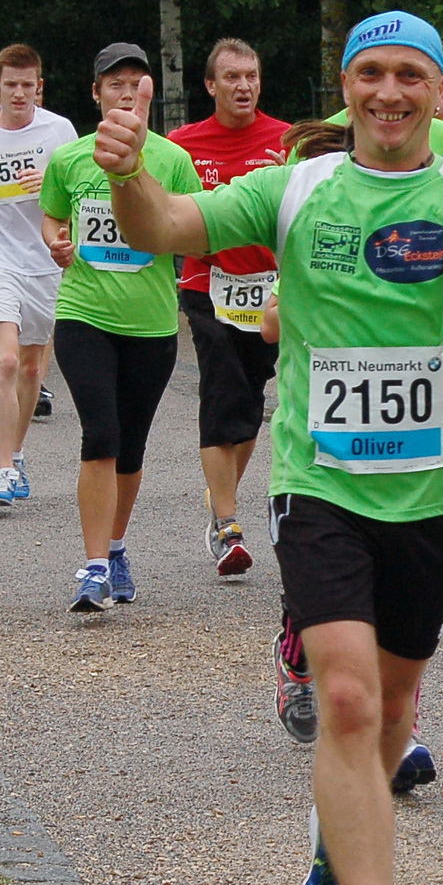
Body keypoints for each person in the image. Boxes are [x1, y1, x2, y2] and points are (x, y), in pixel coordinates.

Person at [95, 10, 443, 885]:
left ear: (440, 92)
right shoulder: (295, 182)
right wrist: (128, 172)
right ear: (344, 84)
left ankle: (331, 850)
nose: (389, 93)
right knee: (347, 700)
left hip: (437, 493)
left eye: (410, 76)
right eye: (370, 74)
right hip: (319, 485)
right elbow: (166, 230)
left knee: (393, 716)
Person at [39, 42, 201, 612]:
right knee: (100, 435)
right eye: (114, 83)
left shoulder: (172, 158)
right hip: (83, 313)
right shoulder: (71, 159)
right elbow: (53, 214)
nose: (126, 91)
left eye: (136, 81)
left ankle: (115, 546)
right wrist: (55, 243)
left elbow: (188, 227)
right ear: (96, 94)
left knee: (130, 447)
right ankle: (93, 568)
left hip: (152, 324)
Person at [167, 38, 290, 574]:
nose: (244, 86)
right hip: (208, 285)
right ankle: (227, 521)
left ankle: (220, 502)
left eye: (252, 76)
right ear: (211, 86)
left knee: (248, 402)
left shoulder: (285, 139)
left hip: (269, 293)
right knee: (221, 393)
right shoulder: (182, 144)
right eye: (232, 77)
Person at [0, 43, 77, 504]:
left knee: (31, 366)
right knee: (4, 360)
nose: (20, 94)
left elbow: (76, 188)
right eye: (11, 85)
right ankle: (3, 469)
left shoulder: (59, 130)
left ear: (40, 88)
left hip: (44, 260)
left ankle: (19, 452)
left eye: (28, 86)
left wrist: (48, 178)